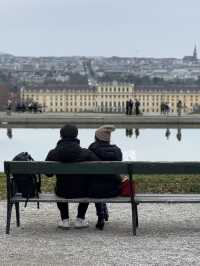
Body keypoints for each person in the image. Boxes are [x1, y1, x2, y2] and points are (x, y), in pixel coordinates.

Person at [45, 123, 98, 229]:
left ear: (61, 136)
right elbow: (98, 168)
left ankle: (65, 220)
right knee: (87, 186)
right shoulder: (86, 153)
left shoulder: (53, 153)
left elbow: (48, 174)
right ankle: (80, 219)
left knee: (61, 186)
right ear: (76, 136)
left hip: (62, 191)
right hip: (83, 191)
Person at [87, 125, 123, 230]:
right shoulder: (117, 151)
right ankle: (103, 211)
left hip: (94, 190)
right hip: (114, 190)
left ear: (96, 138)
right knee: (104, 181)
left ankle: (101, 214)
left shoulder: (92, 149)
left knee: (97, 182)